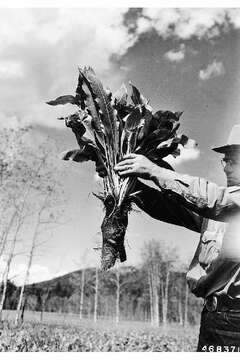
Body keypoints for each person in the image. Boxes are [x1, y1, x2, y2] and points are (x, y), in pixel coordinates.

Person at [115, 124, 240, 352]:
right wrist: (129, 185)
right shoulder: (219, 209)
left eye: (233, 159)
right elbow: (176, 210)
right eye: (225, 160)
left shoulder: (225, 202)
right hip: (214, 316)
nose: (226, 167)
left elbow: (213, 199)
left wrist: (156, 171)